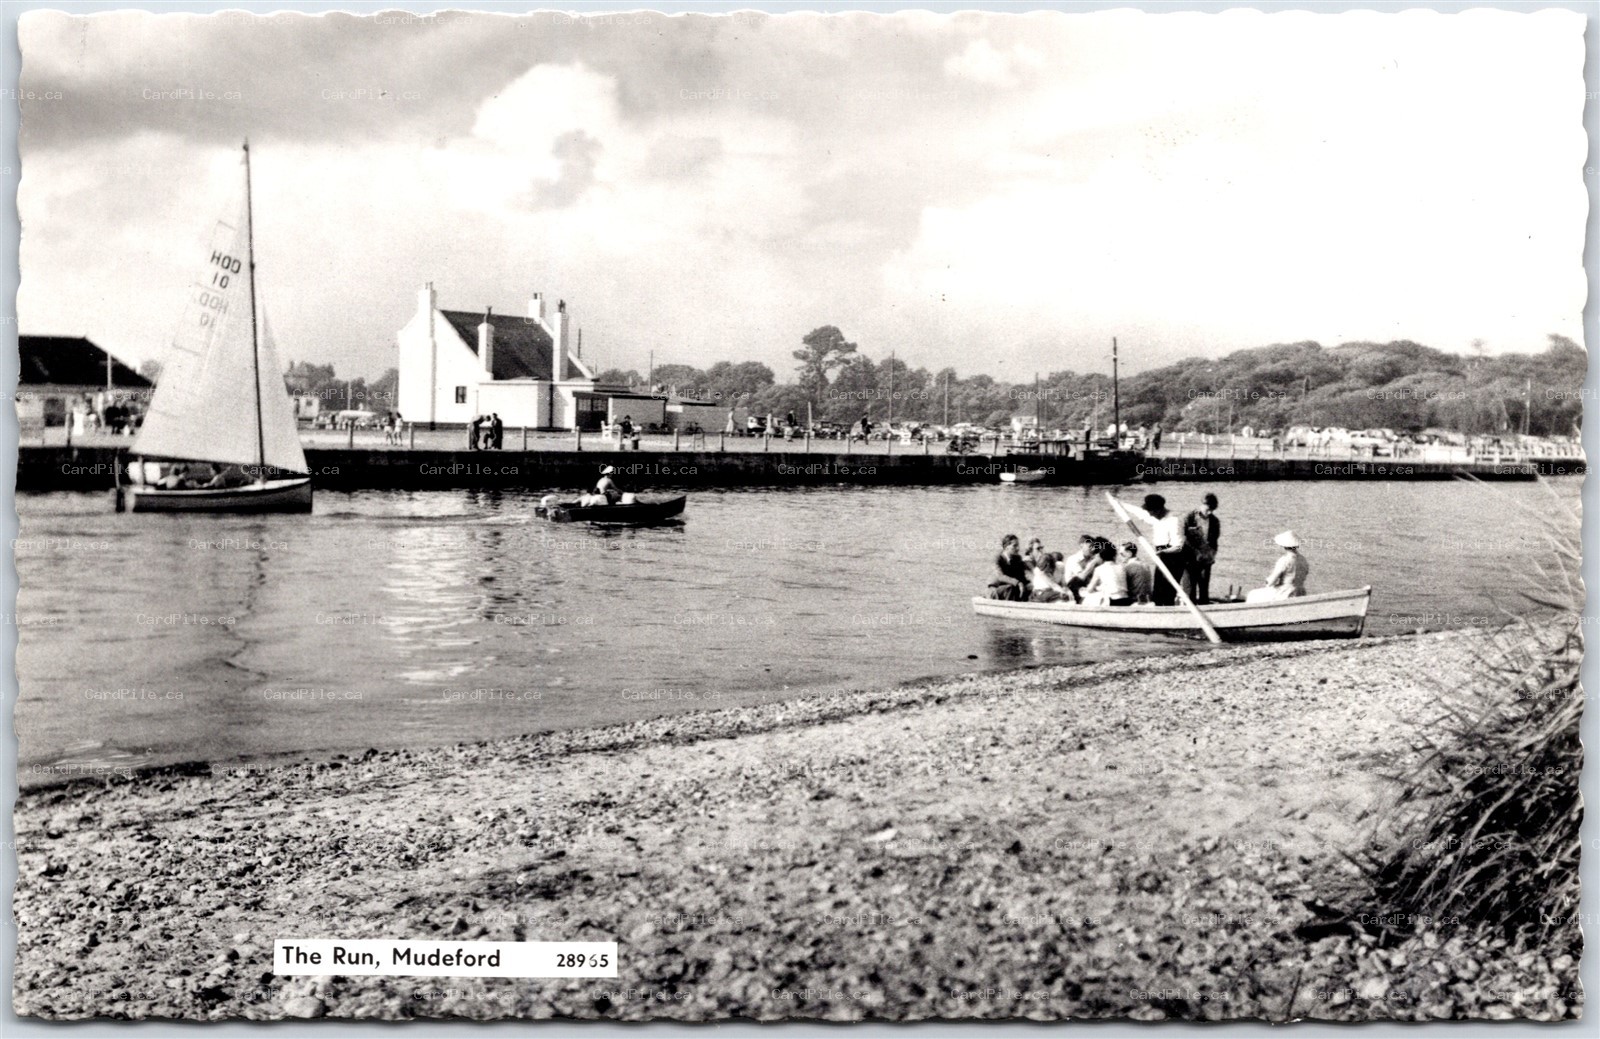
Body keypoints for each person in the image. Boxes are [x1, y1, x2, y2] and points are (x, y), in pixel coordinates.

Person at [1120, 493, 1185, 606]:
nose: (1149, 514)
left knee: (1169, 590)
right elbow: (1140, 513)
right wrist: (1120, 503)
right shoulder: (1155, 516)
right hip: (1161, 554)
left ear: (1158, 510)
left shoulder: (1174, 520)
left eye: (1151, 512)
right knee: (1158, 590)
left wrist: (1163, 552)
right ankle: (1158, 608)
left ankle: (1169, 610)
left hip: (1174, 557)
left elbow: (1178, 547)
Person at [1183, 493, 1222, 605]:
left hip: (1205, 559)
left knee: (1204, 588)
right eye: (1208, 509)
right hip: (1190, 559)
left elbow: (1214, 541)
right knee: (1189, 589)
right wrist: (1196, 552)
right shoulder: (1190, 517)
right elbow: (1183, 538)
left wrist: (1212, 555)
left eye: (1212, 510)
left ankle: (1204, 606)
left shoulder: (1214, 521)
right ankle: (1188, 608)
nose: (1209, 512)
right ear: (1202, 505)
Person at [1249, 531, 1310, 600]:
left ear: (1284, 546)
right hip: (1300, 591)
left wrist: (1268, 581)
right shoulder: (1303, 560)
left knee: (1252, 594)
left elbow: (1271, 582)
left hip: (1286, 592)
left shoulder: (1284, 560)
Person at [1081, 542, 1132, 607]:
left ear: (1101, 556)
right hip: (1125, 599)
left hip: (1112, 600)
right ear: (1114, 555)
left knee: (1088, 598)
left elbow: (1090, 589)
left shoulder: (1099, 569)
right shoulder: (1121, 567)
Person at [1062, 534, 1104, 604]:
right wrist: (1094, 563)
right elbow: (1081, 577)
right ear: (1081, 546)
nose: (1093, 549)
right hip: (1074, 591)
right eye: (1090, 547)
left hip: (1086, 590)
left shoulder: (1091, 559)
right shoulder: (1073, 559)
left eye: (1094, 547)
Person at [987, 534, 1029, 601]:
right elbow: (1000, 576)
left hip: (1011, 587)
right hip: (995, 589)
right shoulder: (997, 559)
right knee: (1010, 588)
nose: (1018, 548)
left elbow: (1021, 576)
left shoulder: (1017, 559)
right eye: (1014, 546)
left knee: (1029, 588)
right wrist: (1018, 583)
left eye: (1018, 545)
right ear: (1006, 547)